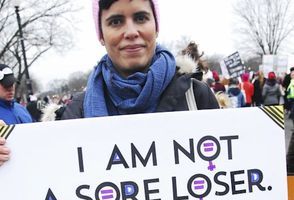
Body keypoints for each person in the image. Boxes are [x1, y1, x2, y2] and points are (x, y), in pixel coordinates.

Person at [0, 0, 219, 166]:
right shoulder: (75, 113)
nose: (131, 32)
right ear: (101, 35)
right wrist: (8, 161)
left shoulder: (196, 95)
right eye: (116, 22)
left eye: (141, 18)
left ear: (156, 26)